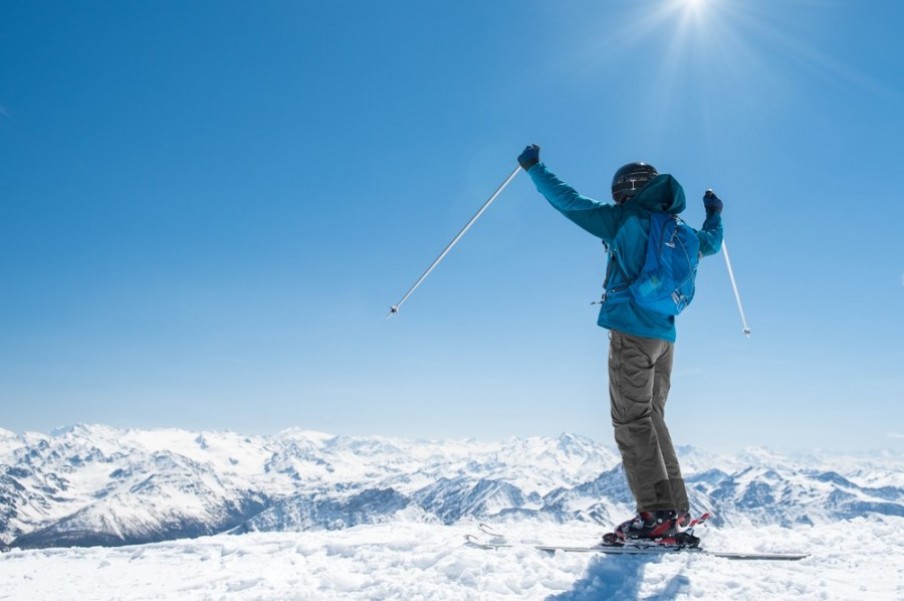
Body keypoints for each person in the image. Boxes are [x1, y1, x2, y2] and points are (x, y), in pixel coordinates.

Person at [517, 144, 724, 541]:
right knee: (653, 418)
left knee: (631, 420)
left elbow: (570, 203)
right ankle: (675, 510)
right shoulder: (681, 232)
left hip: (632, 333)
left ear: (624, 190)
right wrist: (714, 213)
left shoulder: (623, 219)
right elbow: (711, 243)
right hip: (666, 338)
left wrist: (534, 168)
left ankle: (655, 515)